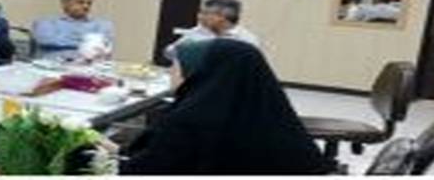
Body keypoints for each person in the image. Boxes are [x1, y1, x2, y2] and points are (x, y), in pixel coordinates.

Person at [121, 39, 327, 175]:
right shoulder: (272, 113)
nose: (170, 72)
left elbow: (145, 170)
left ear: (198, 72)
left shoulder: (190, 119)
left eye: (175, 65)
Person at [164, 0, 260, 61]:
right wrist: (184, 50)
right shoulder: (199, 31)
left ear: (221, 17)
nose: (199, 17)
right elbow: (169, 52)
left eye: (205, 13)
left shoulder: (246, 40)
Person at [31, 0, 116, 59]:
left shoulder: (103, 24)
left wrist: (64, 40)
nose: (85, 6)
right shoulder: (46, 22)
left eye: (89, 3)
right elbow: (46, 41)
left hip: (91, 67)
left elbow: (102, 47)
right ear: (65, 4)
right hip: (54, 66)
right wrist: (87, 43)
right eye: (80, 2)